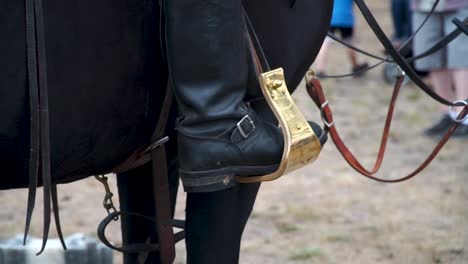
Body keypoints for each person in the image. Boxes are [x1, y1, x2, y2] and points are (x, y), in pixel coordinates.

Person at [411, 0, 468, 137]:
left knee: (461, 57)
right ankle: (448, 115)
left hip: (461, 4)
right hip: (423, 5)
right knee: (432, 58)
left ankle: (464, 118)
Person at [314, 0, 369, 77]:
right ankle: (355, 66)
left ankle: (320, 69)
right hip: (346, 18)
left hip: (331, 17)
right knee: (349, 43)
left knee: (325, 43)